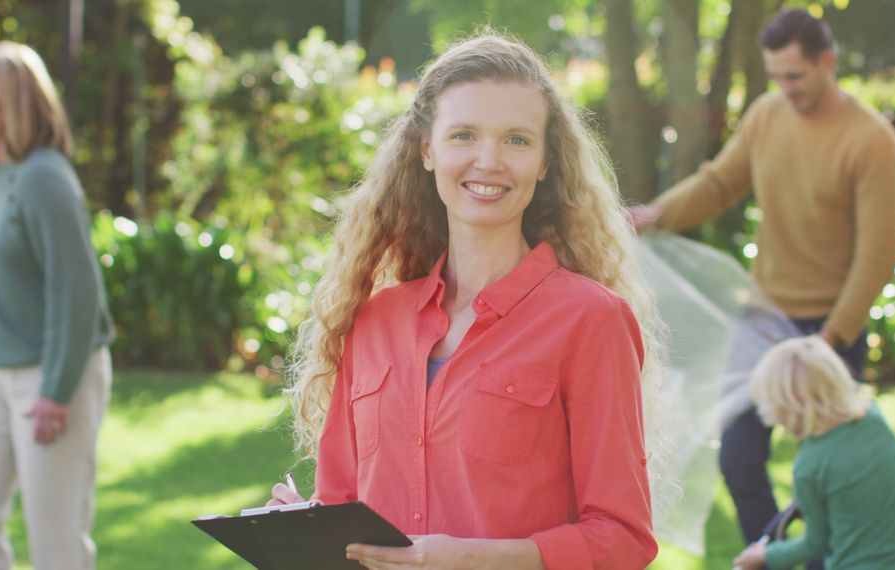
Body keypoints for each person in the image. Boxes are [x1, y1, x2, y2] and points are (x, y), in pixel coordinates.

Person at [265, 32, 664, 569]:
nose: (489, 161)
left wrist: (472, 558)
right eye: (464, 135)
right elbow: (343, 507)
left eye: (517, 140)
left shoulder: (591, 321)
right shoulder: (375, 321)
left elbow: (622, 540)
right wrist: (305, 529)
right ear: (427, 151)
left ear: (546, 161)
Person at [628, 7, 895, 552]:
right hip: (762, 318)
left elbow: (877, 256)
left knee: (830, 467)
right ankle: (774, 559)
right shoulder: (766, 115)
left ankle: (826, 559)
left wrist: (827, 342)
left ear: (827, 62)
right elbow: (719, 182)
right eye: (776, 76)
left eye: (795, 76)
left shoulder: (872, 141)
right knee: (738, 455)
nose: (785, 88)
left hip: (830, 330)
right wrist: (654, 215)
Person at [0, 42, 114, 570]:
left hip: (52, 379)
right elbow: (31, 266)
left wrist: (56, 392)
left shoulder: (44, 178)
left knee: (56, 543)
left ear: (14, 100)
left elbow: (78, 293)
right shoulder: (0, 173)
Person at [732, 336, 895, 569]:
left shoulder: (809, 465)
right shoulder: (875, 420)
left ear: (794, 403)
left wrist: (765, 556)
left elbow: (816, 544)